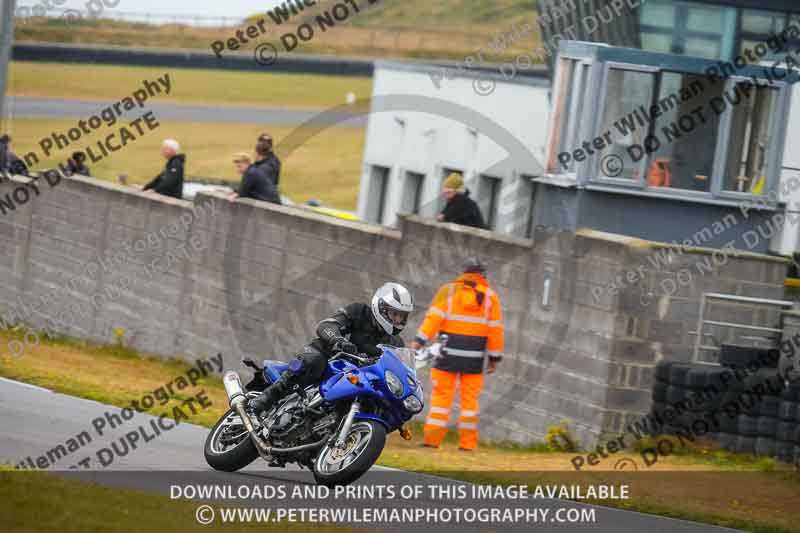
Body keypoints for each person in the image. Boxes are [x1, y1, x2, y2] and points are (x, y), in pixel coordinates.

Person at [249, 283, 414, 415]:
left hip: (357, 378)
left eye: (402, 316)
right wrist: (338, 340)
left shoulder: (396, 343)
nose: (397, 319)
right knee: (313, 360)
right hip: (330, 360)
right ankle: (266, 398)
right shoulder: (360, 312)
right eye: (394, 314)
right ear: (381, 307)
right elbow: (327, 325)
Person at [410, 258, 503, 451]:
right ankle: (467, 444)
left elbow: (433, 318)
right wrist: (494, 358)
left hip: (447, 354)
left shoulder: (448, 291)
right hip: (474, 358)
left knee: (441, 399)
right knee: (469, 400)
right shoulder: (490, 297)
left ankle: (432, 441)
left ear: (464, 273)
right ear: (482, 276)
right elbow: (495, 331)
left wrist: (419, 341)